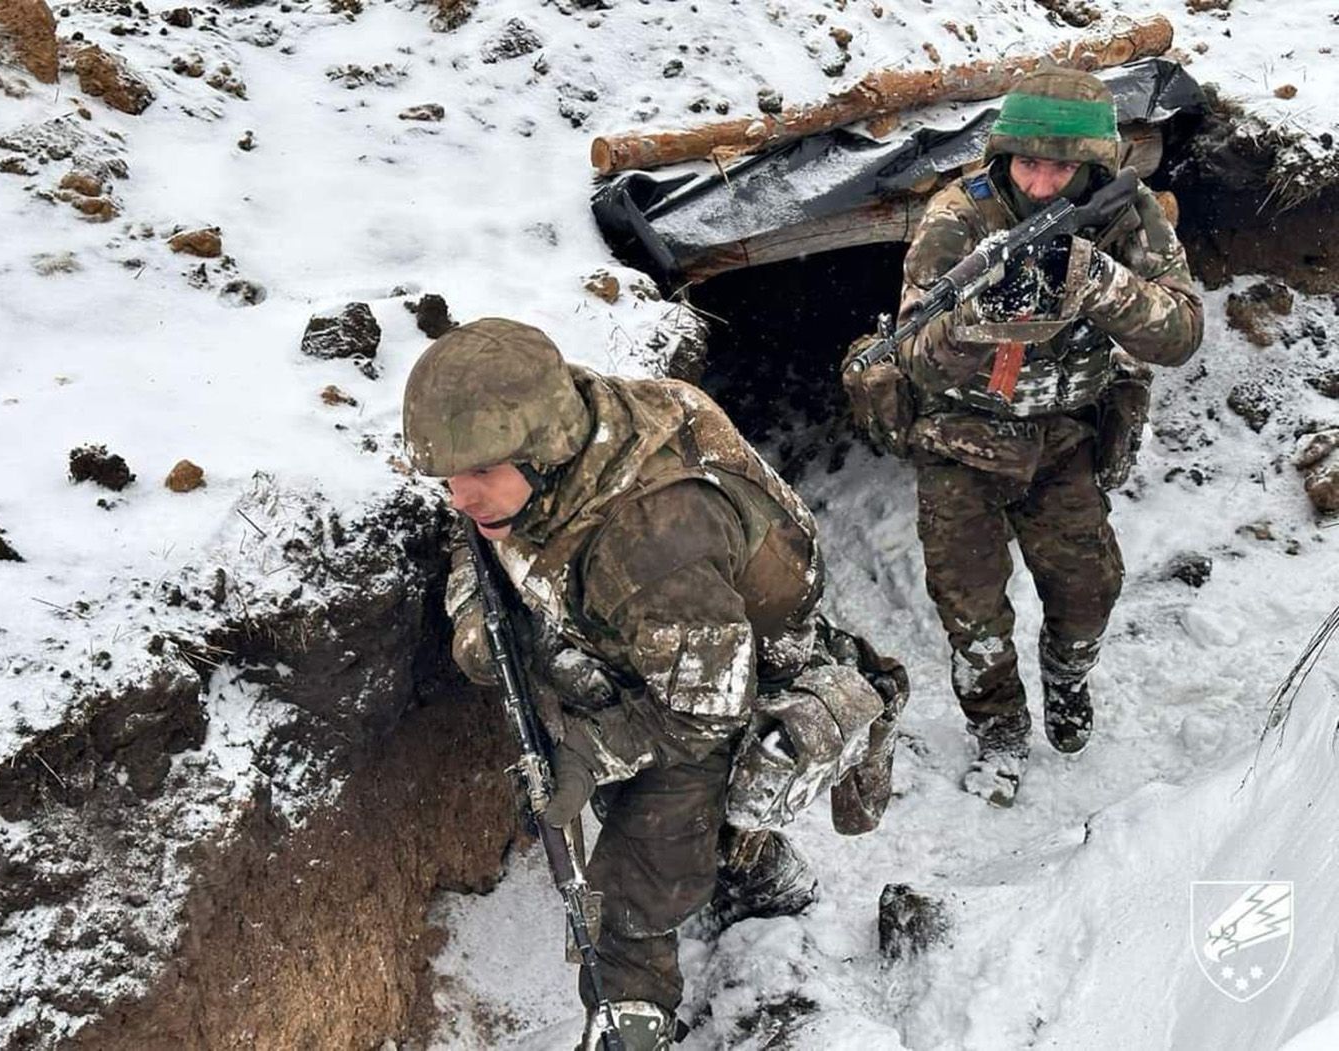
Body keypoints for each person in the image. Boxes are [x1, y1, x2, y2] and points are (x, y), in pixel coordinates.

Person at [404, 318, 906, 1049]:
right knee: (565, 696)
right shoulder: (559, 429)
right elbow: (473, 541)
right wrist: (476, 612)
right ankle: (755, 871)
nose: (460, 495)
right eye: (449, 475)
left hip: (729, 671)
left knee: (633, 873)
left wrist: (585, 751)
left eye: (479, 474)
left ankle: (638, 1010)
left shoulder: (652, 542)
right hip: (660, 638)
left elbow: (704, 710)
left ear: (544, 451)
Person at [846, 67, 1202, 807]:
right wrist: (979, 321)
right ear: (1004, 155)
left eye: (1061, 167)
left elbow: (1182, 332)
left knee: (1088, 589)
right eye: (1027, 163)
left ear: (1094, 167)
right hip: (961, 442)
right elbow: (912, 352)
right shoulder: (957, 217)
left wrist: (1099, 282)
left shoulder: (1125, 214)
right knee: (971, 611)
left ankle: (1068, 683)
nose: (1041, 185)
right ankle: (999, 728)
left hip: (1065, 437)